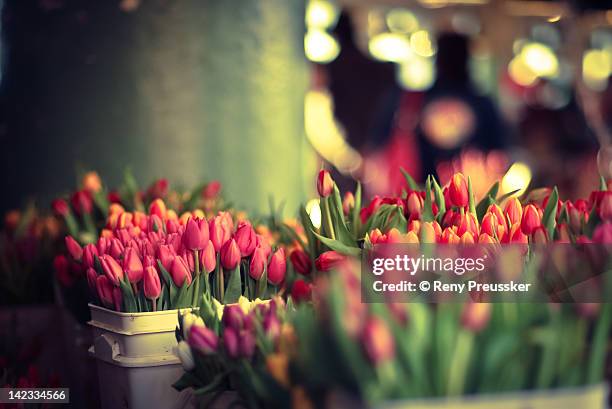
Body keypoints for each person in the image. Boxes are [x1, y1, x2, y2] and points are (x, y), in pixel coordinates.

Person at [368, 31, 506, 193]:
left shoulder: (412, 99)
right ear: (468, 60)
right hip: (468, 198)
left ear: (437, 59)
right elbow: (499, 153)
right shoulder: (483, 104)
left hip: (416, 193)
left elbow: (377, 144)